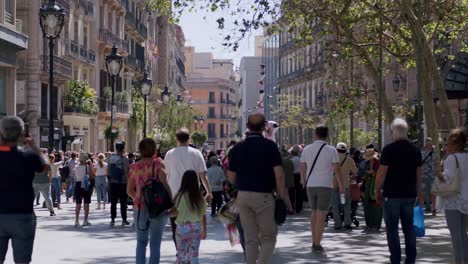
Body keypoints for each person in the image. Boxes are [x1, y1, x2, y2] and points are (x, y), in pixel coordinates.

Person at [227, 113, 288, 264]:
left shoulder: (237, 148)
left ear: (247, 127)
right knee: (268, 236)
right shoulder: (270, 147)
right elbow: (279, 175)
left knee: (250, 238)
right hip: (264, 196)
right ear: (264, 128)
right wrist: (280, 196)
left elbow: (231, 178)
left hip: (243, 196)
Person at [0, 116, 47, 264]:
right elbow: (45, 168)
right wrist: (34, 147)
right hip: (22, 215)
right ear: (21, 134)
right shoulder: (28, 156)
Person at [375, 118, 422, 264]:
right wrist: (418, 192)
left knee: (392, 229)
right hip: (409, 195)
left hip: (392, 195)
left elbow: (382, 173)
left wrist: (377, 190)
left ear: (393, 132)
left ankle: (395, 259)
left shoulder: (388, 150)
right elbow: (418, 174)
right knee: (409, 228)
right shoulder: (415, 150)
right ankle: (410, 259)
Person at [164, 128, 213, 245]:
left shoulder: (169, 154)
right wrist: (209, 192)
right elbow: (203, 175)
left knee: (175, 226)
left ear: (176, 139)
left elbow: (165, 176)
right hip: (193, 194)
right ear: (189, 138)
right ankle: (192, 249)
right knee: (194, 220)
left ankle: (179, 251)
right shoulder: (196, 153)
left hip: (175, 195)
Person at [300, 125, 344, 253]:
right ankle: (317, 243)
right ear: (327, 135)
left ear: (315, 134)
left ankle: (314, 240)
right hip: (325, 185)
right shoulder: (331, 150)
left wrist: (303, 181)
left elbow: (303, 167)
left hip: (310, 184)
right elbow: (337, 169)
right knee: (321, 214)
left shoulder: (307, 149)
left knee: (313, 213)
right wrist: (341, 185)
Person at [127, 138, 171, 264]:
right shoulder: (158, 164)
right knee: (155, 244)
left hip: (139, 209)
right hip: (158, 208)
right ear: (154, 149)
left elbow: (129, 190)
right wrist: (173, 201)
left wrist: (138, 198)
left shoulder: (134, 167)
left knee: (141, 242)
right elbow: (165, 185)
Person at [440, 129, 468, 264]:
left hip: (453, 200)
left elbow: (447, 179)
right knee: (463, 234)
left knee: (456, 236)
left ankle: (458, 261)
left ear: (454, 145)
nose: (445, 146)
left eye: (448, 144)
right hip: (466, 200)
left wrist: (438, 174)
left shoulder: (451, 159)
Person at [172, 170, 208, 264]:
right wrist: (204, 230)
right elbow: (203, 215)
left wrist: (165, 214)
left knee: (180, 254)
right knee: (194, 255)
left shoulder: (179, 196)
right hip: (196, 228)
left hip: (181, 228)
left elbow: (175, 212)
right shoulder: (199, 197)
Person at [332, 142, 357, 231]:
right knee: (346, 204)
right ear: (345, 150)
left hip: (333, 185)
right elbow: (355, 172)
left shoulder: (332, 158)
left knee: (335, 205)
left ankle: (337, 224)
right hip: (345, 185)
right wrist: (350, 176)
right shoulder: (349, 159)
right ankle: (347, 223)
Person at [361, 145, 383, 232]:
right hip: (368, 186)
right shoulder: (366, 163)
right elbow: (363, 174)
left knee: (376, 207)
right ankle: (368, 224)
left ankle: (376, 225)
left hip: (376, 186)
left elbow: (381, 174)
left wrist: (373, 173)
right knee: (367, 206)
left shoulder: (378, 162)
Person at [108, 141, 130, 226]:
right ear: (123, 148)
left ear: (116, 148)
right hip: (123, 182)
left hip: (113, 182)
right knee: (123, 202)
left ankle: (112, 219)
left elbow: (109, 170)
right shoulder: (125, 159)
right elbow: (127, 171)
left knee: (113, 202)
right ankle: (124, 219)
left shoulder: (111, 158)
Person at [74, 153, 95, 226]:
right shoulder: (87, 166)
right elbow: (92, 175)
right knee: (86, 202)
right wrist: (91, 164)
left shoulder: (76, 167)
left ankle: (76, 220)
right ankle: (85, 220)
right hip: (86, 185)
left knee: (78, 203)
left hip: (78, 184)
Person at [33, 151, 55, 216]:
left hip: (35, 182)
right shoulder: (47, 165)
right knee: (48, 198)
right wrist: (50, 181)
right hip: (45, 182)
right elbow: (50, 175)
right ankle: (51, 211)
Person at [419, 137, 437, 215]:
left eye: (430, 143)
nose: (429, 145)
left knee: (433, 192)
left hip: (432, 175)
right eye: (428, 143)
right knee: (422, 193)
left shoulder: (434, 152)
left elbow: (436, 161)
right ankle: (421, 208)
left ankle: (434, 208)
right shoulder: (422, 152)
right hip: (424, 175)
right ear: (425, 144)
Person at [289, 145, 303, 213]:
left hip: (293, 176)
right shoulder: (300, 160)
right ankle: (298, 208)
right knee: (299, 192)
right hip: (299, 176)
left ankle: (291, 206)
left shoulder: (291, 160)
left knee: (292, 192)